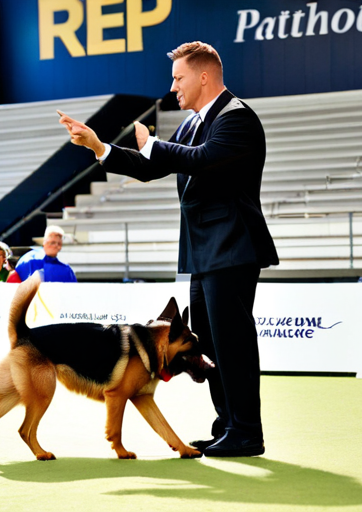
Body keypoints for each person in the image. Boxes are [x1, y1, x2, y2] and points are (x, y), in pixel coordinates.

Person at [59, 41, 278, 457]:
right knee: (210, 347)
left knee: (233, 345)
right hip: (205, 251)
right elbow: (150, 167)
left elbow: (204, 158)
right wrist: (97, 146)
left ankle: (247, 433)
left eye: (178, 78)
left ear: (203, 76)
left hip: (232, 247)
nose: (173, 87)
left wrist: (155, 145)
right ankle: (228, 427)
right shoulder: (194, 122)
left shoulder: (238, 118)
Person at [12, 225, 77, 283]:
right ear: (44, 242)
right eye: (52, 242)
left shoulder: (66, 269)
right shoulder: (30, 260)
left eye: (59, 244)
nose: (55, 246)